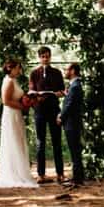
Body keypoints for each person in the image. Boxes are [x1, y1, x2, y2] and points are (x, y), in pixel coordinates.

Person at [0, 59, 36, 188]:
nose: (19, 70)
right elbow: (6, 101)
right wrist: (23, 106)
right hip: (11, 114)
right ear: (11, 69)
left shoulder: (14, 81)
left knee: (18, 140)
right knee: (13, 140)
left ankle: (19, 170)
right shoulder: (8, 81)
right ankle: (13, 173)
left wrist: (26, 101)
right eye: (18, 68)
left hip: (17, 114)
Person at [28, 46, 65, 183]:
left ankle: (60, 174)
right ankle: (41, 174)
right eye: (43, 56)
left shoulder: (57, 72)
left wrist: (56, 94)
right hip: (39, 111)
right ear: (39, 58)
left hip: (54, 110)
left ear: (50, 57)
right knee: (40, 143)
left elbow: (62, 91)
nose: (45, 59)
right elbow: (31, 91)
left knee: (57, 142)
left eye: (47, 56)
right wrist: (36, 96)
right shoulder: (34, 73)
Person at [59, 63, 85, 186]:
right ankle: (77, 176)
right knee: (74, 149)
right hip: (72, 122)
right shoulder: (74, 86)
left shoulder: (75, 86)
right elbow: (70, 101)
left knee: (75, 150)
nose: (65, 71)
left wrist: (61, 117)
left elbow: (69, 105)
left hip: (72, 122)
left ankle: (77, 179)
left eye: (66, 69)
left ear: (73, 71)